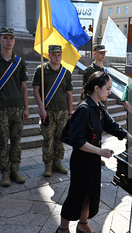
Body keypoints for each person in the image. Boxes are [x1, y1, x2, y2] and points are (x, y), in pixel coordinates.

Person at [56, 71, 132, 233]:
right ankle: (63, 229)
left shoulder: (99, 107)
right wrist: (100, 152)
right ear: (96, 88)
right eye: (108, 88)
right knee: (76, 194)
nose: (110, 92)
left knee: (89, 193)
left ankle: (83, 224)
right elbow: (77, 141)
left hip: (92, 159)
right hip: (81, 160)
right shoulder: (84, 109)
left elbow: (114, 127)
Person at [0, 27, 29, 187]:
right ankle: (5, 172)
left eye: (11, 37)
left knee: (16, 142)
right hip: (0, 108)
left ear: (14, 40)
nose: (8, 40)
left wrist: (26, 107)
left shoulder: (19, 62)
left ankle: (15, 169)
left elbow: (24, 87)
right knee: (2, 142)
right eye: (5, 37)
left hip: (18, 108)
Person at [32, 45, 73, 177]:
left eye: (59, 54)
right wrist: (41, 108)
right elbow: (36, 91)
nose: (57, 57)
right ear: (48, 55)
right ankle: (48, 165)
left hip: (63, 111)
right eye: (54, 54)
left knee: (60, 139)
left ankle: (58, 162)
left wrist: (70, 112)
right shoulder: (41, 70)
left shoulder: (66, 73)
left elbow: (69, 94)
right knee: (48, 140)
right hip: (47, 112)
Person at [83, 44, 107, 166]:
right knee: (90, 131)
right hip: (91, 106)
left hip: (101, 106)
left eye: (104, 52)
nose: (103, 55)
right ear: (94, 53)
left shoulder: (105, 71)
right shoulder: (88, 71)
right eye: (100, 52)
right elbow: (85, 90)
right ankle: (90, 154)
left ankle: (98, 154)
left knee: (99, 132)